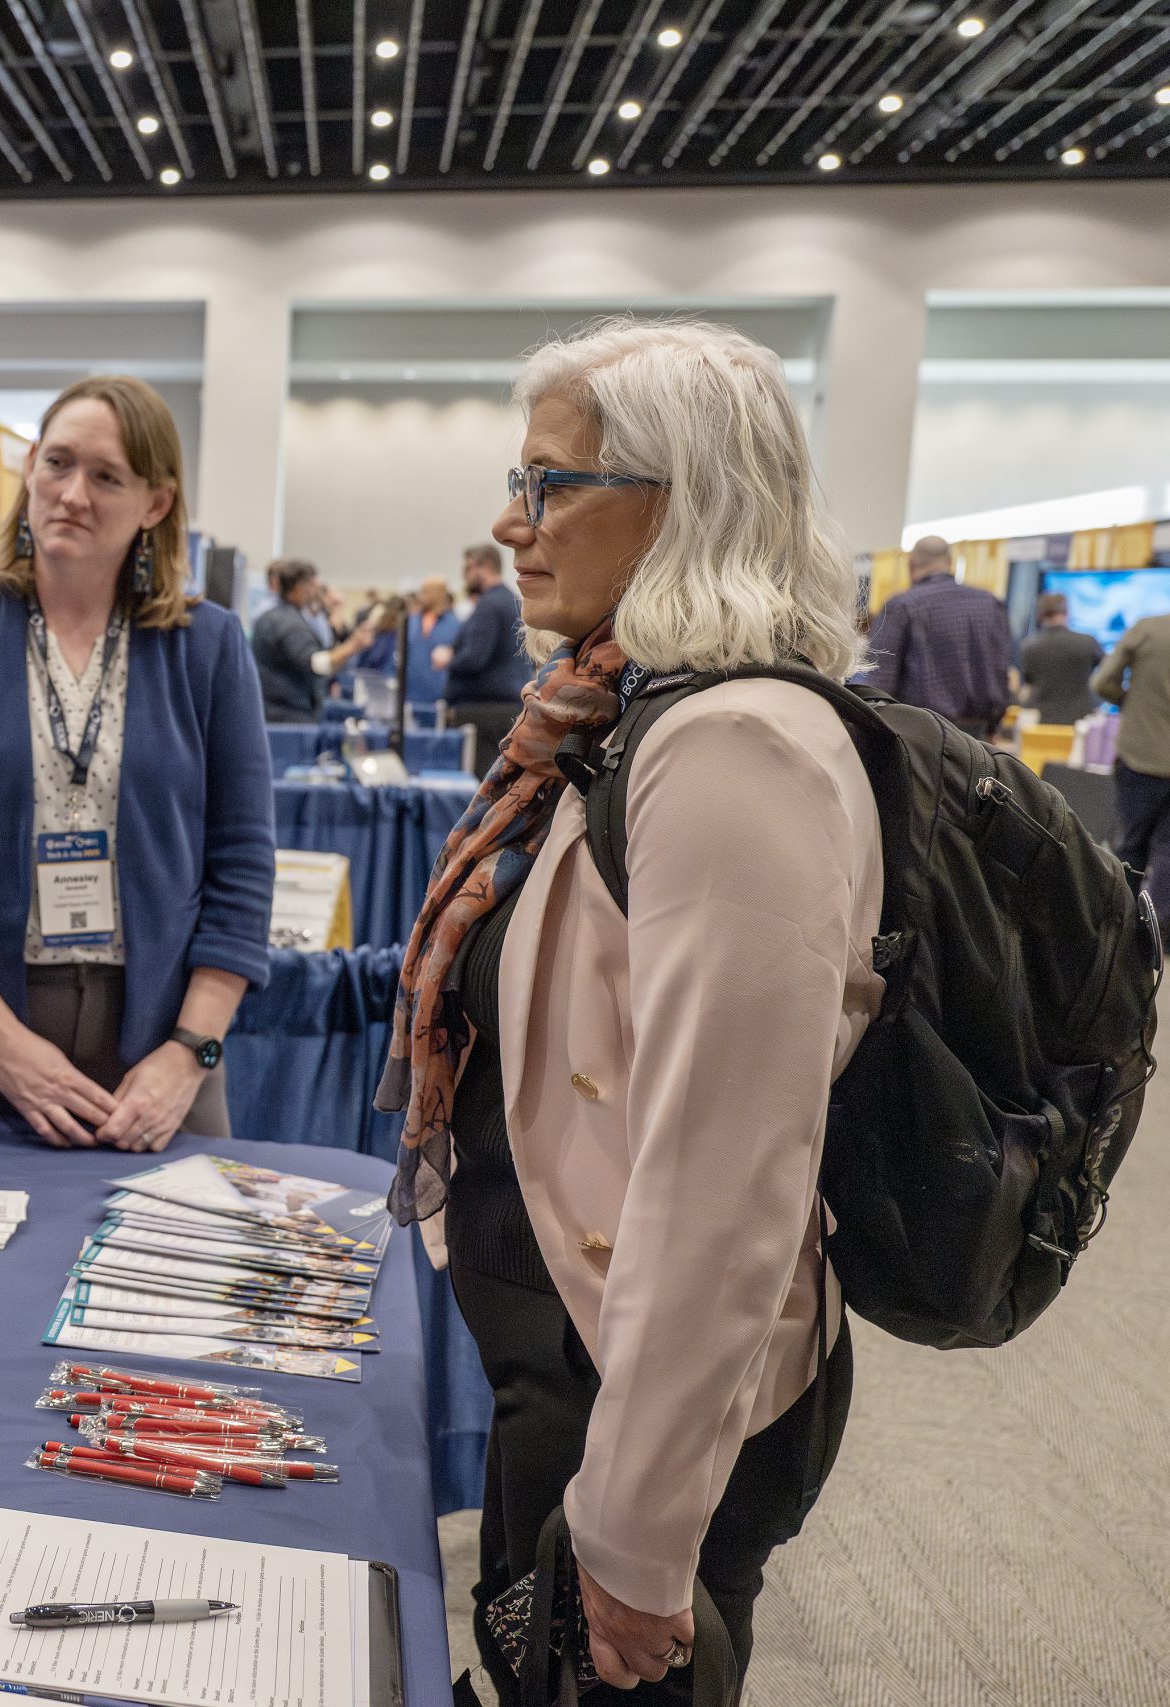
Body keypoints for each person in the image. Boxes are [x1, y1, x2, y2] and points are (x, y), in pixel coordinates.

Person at [379, 319, 872, 1701]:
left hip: (632, 1394)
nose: (510, 521)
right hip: (572, 1359)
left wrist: (638, 1533)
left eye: (549, 484)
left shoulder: (732, 747)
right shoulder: (624, 711)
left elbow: (728, 1177)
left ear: (684, 500)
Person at [0, 375, 274, 1151]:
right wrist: (3, 1050)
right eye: (56, 463)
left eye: (107, 477)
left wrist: (190, 1054)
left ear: (156, 503)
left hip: (162, 1052)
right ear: (30, 469)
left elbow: (243, 867)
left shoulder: (209, 649)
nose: (72, 494)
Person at [1094, 569, 1170, 954]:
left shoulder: (1149, 628)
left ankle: (1121, 925)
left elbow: (1102, 682)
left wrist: (1131, 703)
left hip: (1142, 755)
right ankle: (1161, 932)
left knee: (1131, 843)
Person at [861, 535, 1012, 737]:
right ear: (950, 562)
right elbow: (1001, 669)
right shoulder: (991, 604)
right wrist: (993, 727)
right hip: (978, 735)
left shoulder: (902, 606)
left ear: (910, 565)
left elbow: (879, 683)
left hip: (921, 736)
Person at [432, 543, 531, 774]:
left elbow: (474, 658)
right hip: (503, 710)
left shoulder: (489, 605)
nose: (464, 576)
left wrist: (448, 658)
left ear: (485, 566)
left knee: (479, 782)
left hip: (484, 715)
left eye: (468, 569)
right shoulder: (510, 600)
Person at [251, 558, 362, 724]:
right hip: (287, 717)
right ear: (299, 587)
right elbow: (316, 664)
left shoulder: (279, 616)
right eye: (313, 586)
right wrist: (354, 645)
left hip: (278, 711)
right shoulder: (287, 624)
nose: (316, 593)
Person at [1014, 592, 1102, 728]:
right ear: (1066, 612)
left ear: (1040, 615)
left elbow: (1026, 687)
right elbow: (1107, 675)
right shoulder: (1088, 643)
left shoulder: (1028, 647)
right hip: (1081, 722)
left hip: (1040, 723)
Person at [403, 577, 457, 709]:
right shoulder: (410, 622)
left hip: (439, 701)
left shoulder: (455, 626)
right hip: (409, 698)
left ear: (439, 594)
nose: (420, 597)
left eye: (425, 592)